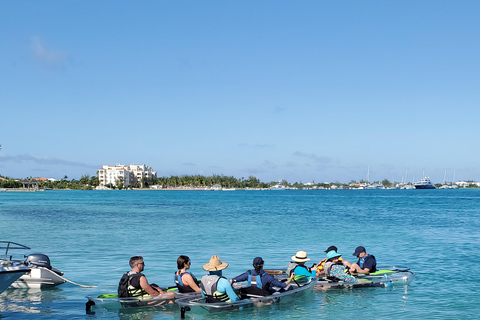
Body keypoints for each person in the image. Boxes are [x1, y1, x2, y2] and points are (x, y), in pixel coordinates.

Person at [230, 257, 295, 297]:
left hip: (250, 294)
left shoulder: (248, 274)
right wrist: (291, 279)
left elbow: (231, 280)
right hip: (263, 296)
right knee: (287, 286)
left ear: (253, 265)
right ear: (262, 264)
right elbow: (283, 285)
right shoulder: (267, 276)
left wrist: (232, 287)